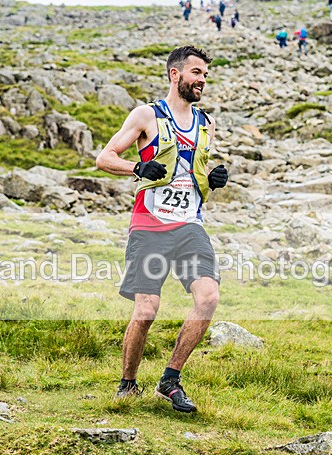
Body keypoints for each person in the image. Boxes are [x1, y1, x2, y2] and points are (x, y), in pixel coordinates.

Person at [95, 46, 229, 413]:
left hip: (190, 226)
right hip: (150, 225)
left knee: (208, 298)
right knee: (147, 309)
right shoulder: (146, 115)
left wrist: (214, 178)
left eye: (205, 74)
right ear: (175, 75)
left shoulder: (206, 123)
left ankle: (170, 379)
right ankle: (128, 383)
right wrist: (137, 169)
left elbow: (194, 172)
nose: (203, 80)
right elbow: (104, 158)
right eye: (197, 73)